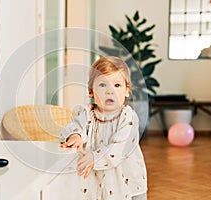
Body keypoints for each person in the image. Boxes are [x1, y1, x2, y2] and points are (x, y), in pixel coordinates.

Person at [60, 56, 147, 200]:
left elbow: (120, 147)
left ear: (126, 90)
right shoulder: (86, 113)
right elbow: (76, 126)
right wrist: (76, 136)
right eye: (102, 85)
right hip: (95, 181)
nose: (109, 91)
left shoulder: (128, 117)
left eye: (117, 85)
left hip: (126, 182)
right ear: (91, 91)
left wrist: (95, 157)